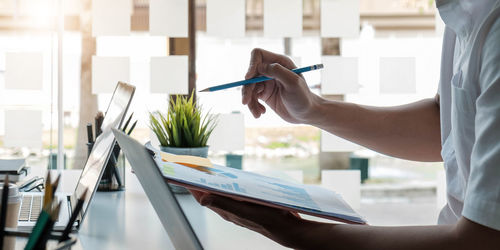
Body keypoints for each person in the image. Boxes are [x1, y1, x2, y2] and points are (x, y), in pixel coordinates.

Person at [191, 0, 500, 249]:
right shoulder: (461, 12)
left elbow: (482, 240)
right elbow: (446, 127)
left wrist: (291, 231)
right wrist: (312, 109)